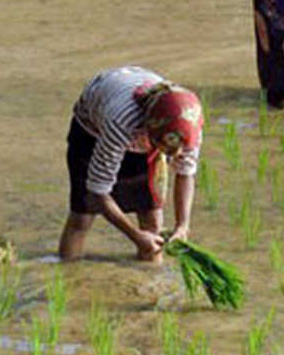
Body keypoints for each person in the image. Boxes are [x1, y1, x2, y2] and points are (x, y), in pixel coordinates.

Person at [58, 66, 204, 263]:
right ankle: (69, 273)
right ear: (150, 132)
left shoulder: (188, 123)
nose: (176, 154)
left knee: (152, 220)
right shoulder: (121, 122)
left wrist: (182, 226)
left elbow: (185, 173)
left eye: (179, 148)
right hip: (92, 130)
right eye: (167, 147)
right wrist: (134, 235)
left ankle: (149, 286)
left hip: (146, 127)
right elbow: (98, 191)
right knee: (82, 217)